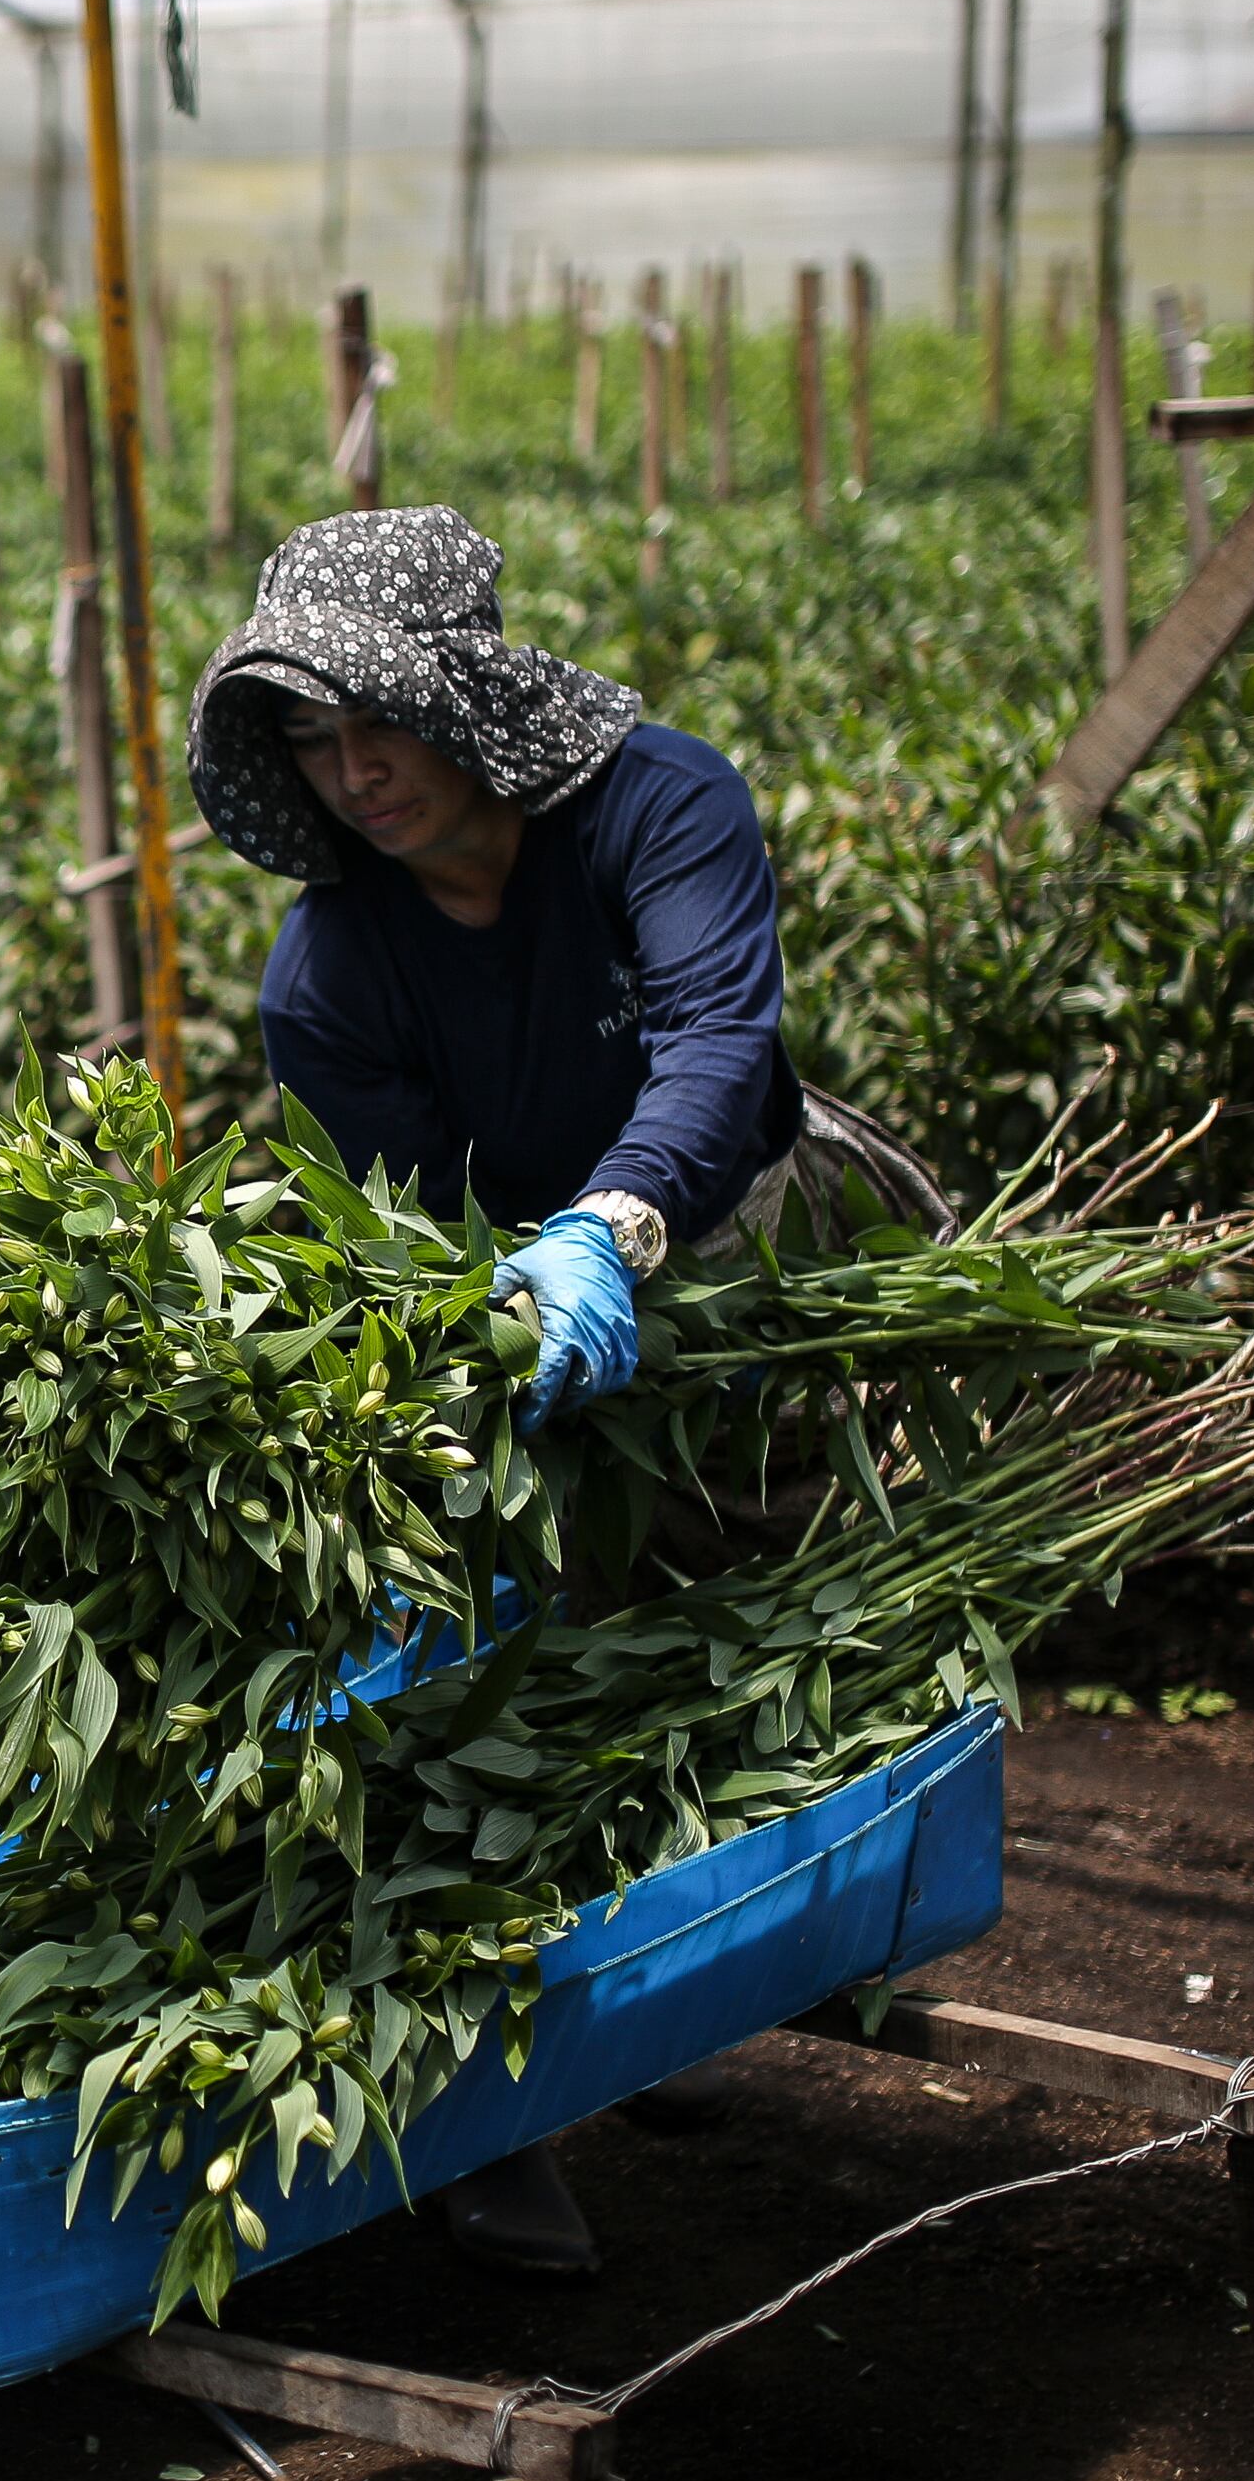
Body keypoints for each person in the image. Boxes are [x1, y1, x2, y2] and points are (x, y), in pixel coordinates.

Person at [186, 504, 888, 2280]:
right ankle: (516, 2088)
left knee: (765, 1613)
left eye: (382, 725)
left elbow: (718, 1040)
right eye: (313, 741)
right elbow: (409, 1226)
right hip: (516, 1299)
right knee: (520, 1657)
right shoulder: (330, 978)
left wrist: (615, 1227)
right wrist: (502, 1314)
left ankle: (725, 1957)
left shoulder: (661, 806)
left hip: (735, 1238)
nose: (355, 775)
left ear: (470, 699)